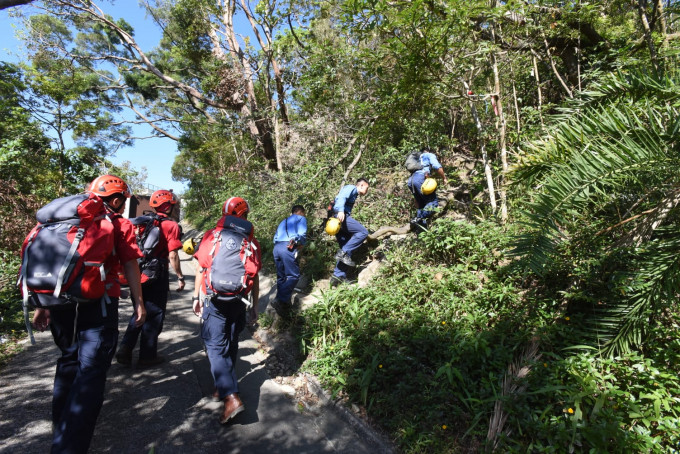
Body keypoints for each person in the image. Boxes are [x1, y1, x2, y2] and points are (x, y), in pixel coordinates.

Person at [31, 174, 146, 453]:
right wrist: (138, 302)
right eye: (124, 201)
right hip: (100, 303)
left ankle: (62, 428)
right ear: (117, 199)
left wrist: (42, 304)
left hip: (59, 299)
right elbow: (130, 264)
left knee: (69, 360)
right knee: (91, 373)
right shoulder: (117, 224)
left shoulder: (60, 221)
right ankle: (68, 446)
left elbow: (51, 262)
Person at [191, 197, 262, 424]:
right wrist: (255, 306)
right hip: (239, 301)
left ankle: (231, 397)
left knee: (214, 346)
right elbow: (255, 275)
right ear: (244, 215)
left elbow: (202, 268)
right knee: (230, 342)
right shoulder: (251, 242)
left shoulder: (212, 236)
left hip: (215, 299)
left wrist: (196, 297)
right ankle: (220, 387)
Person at [116, 189, 185, 366]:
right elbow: (173, 255)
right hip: (157, 273)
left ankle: (126, 347)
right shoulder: (171, 225)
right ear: (169, 206)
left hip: (138, 271)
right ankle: (147, 356)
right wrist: (179, 276)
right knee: (154, 314)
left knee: (140, 310)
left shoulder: (142, 222)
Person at [330, 178, 370, 286]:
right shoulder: (351, 188)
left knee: (346, 249)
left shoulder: (355, 193)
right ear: (361, 185)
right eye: (366, 188)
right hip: (340, 217)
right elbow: (341, 197)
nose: (367, 191)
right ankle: (343, 254)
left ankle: (337, 276)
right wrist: (341, 211)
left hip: (337, 219)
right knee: (363, 232)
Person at [271, 205, 307, 317]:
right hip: (287, 247)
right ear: (299, 212)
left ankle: (282, 302)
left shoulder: (283, 221)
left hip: (276, 248)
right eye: (303, 213)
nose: (304, 215)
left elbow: (275, 238)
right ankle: (281, 299)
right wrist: (300, 243)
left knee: (281, 276)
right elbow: (302, 234)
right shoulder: (301, 218)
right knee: (293, 275)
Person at [407, 147, 448, 229]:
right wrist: (444, 178)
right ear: (428, 151)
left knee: (421, 204)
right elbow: (437, 166)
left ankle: (421, 230)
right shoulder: (429, 155)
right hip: (421, 178)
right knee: (433, 202)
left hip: (411, 180)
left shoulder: (417, 158)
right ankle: (419, 218)